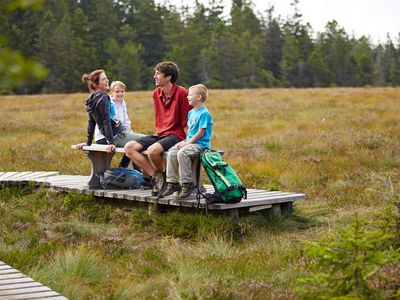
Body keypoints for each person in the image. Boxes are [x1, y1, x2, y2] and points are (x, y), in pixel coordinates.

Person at [124, 61, 191, 196]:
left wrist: (189, 141)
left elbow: (186, 121)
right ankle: (158, 177)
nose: (154, 76)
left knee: (153, 151)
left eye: (158, 74)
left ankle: (166, 181)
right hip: (161, 134)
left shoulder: (182, 93)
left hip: (176, 135)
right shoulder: (156, 93)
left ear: (168, 77)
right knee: (129, 148)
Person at [161, 84, 213, 199]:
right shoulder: (191, 113)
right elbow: (190, 131)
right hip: (190, 142)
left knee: (182, 152)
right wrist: (184, 141)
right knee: (172, 152)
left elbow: (201, 133)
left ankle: (186, 184)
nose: (187, 97)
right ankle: (172, 183)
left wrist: (187, 143)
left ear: (198, 97)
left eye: (190, 95)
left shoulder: (204, 113)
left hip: (201, 144)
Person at [76, 69, 143, 155]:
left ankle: (124, 167)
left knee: (141, 142)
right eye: (103, 79)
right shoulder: (104, 97)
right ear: (95, 84)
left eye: (106, 78)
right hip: (118, 135)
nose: (107, 80)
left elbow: (91, 122)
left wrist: (88, 143)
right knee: (148, 140)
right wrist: (111, 143)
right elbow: (106, 121)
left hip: (116, 135)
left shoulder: (91, 98)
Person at [94, 80, 144, 168]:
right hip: (105, 137)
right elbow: (109, 123)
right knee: (136, 144)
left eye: (122, 91)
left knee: (132, 144)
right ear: (112, 92)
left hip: (118, 134)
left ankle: (123, 168)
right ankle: (135, 169)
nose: (120, 93)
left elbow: (126, 120)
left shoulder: (122, 102)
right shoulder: (109, 103)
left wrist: (129, 133)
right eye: (117, 91)